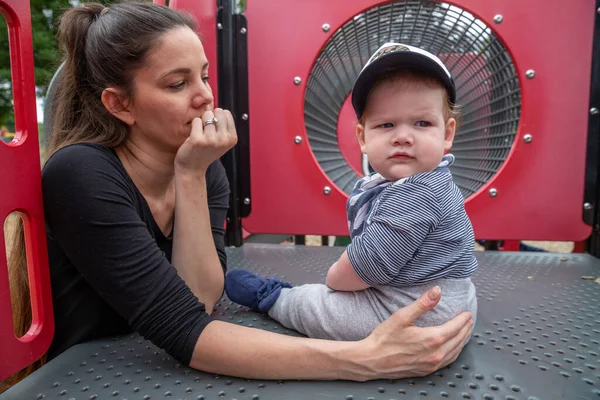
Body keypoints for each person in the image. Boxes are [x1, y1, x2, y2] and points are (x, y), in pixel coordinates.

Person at [2, 3, 473, 392]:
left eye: (204, 76)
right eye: (177, 83)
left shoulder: (203, 168)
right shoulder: (81, 173)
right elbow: (183, 329)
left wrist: (191, 173)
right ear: (119, 104)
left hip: (158, 368)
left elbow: (202, 301)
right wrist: (365, 359)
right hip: (87, 377)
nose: (205, 97)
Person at [225, 43, 478, 341]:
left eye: (422, 123)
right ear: (363, 136)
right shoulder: (428, 180)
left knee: (329, 311)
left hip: (423, 309)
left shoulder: (419, 192)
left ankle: (275, 298)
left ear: (447, 134)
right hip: (446, 294)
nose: (403, 137)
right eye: (386, 124)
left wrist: (335, 279)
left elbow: (367, 265)